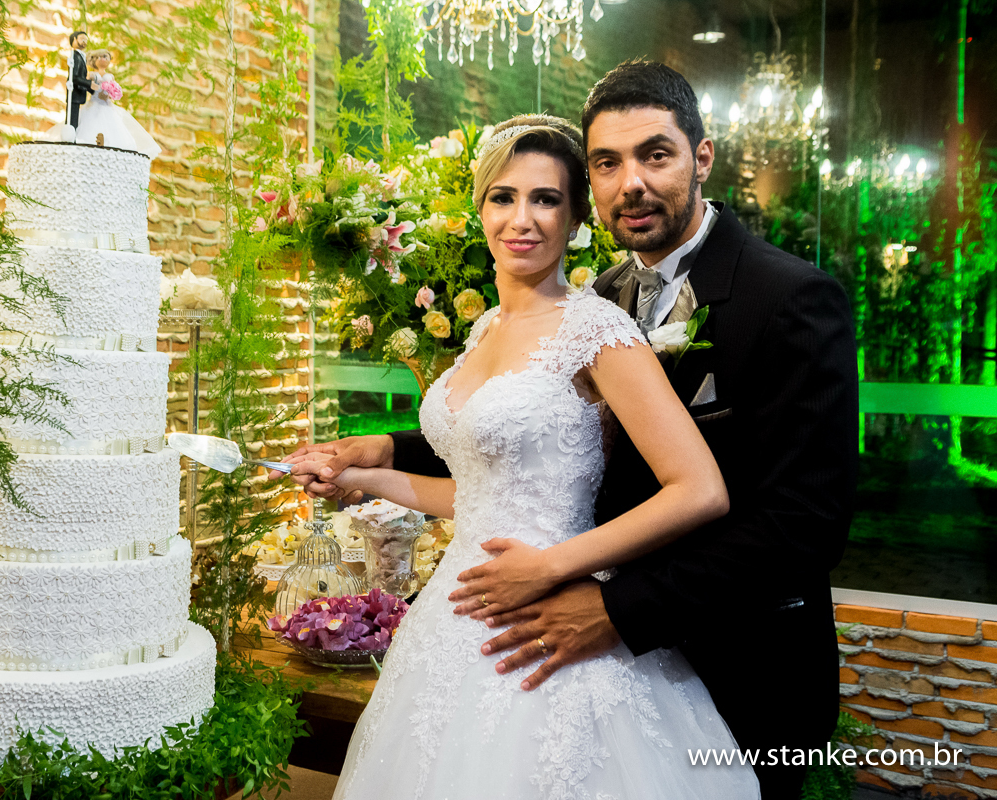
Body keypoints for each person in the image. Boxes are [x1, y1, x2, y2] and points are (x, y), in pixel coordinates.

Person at [282, 60, 858, 799]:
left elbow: (802, 526)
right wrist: (379, 453)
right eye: (609, 163)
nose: (632, 184)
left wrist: (612, 605)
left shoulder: (789, 300)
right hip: (559, 628)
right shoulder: (606, 295)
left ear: (701, 156)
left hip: (739, 658)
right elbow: (525, 441)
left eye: (656, 154)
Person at [73, 49, 162, 160]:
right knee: (89, 130)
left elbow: (114, 88)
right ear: (94, 60)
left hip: (107, 105)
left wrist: (112, 93)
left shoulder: (110, 76)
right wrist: (91, 87)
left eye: (105, 57)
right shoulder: (92, 74)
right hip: (94, 104)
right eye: (99, 57)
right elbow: (85, 86)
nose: (102, 59)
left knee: (114, 132)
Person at [66, 31, 91, 130]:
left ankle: (72, 135)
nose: (84, 42)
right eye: (82, 39)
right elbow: (75, 77)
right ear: (74, 40)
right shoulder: (75, 56)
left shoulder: (81, 56)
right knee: (72, 119)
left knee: (75, 118)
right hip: (74, 93)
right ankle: (70, 137)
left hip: (78, 93)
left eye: (86, 40)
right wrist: (89, 84)